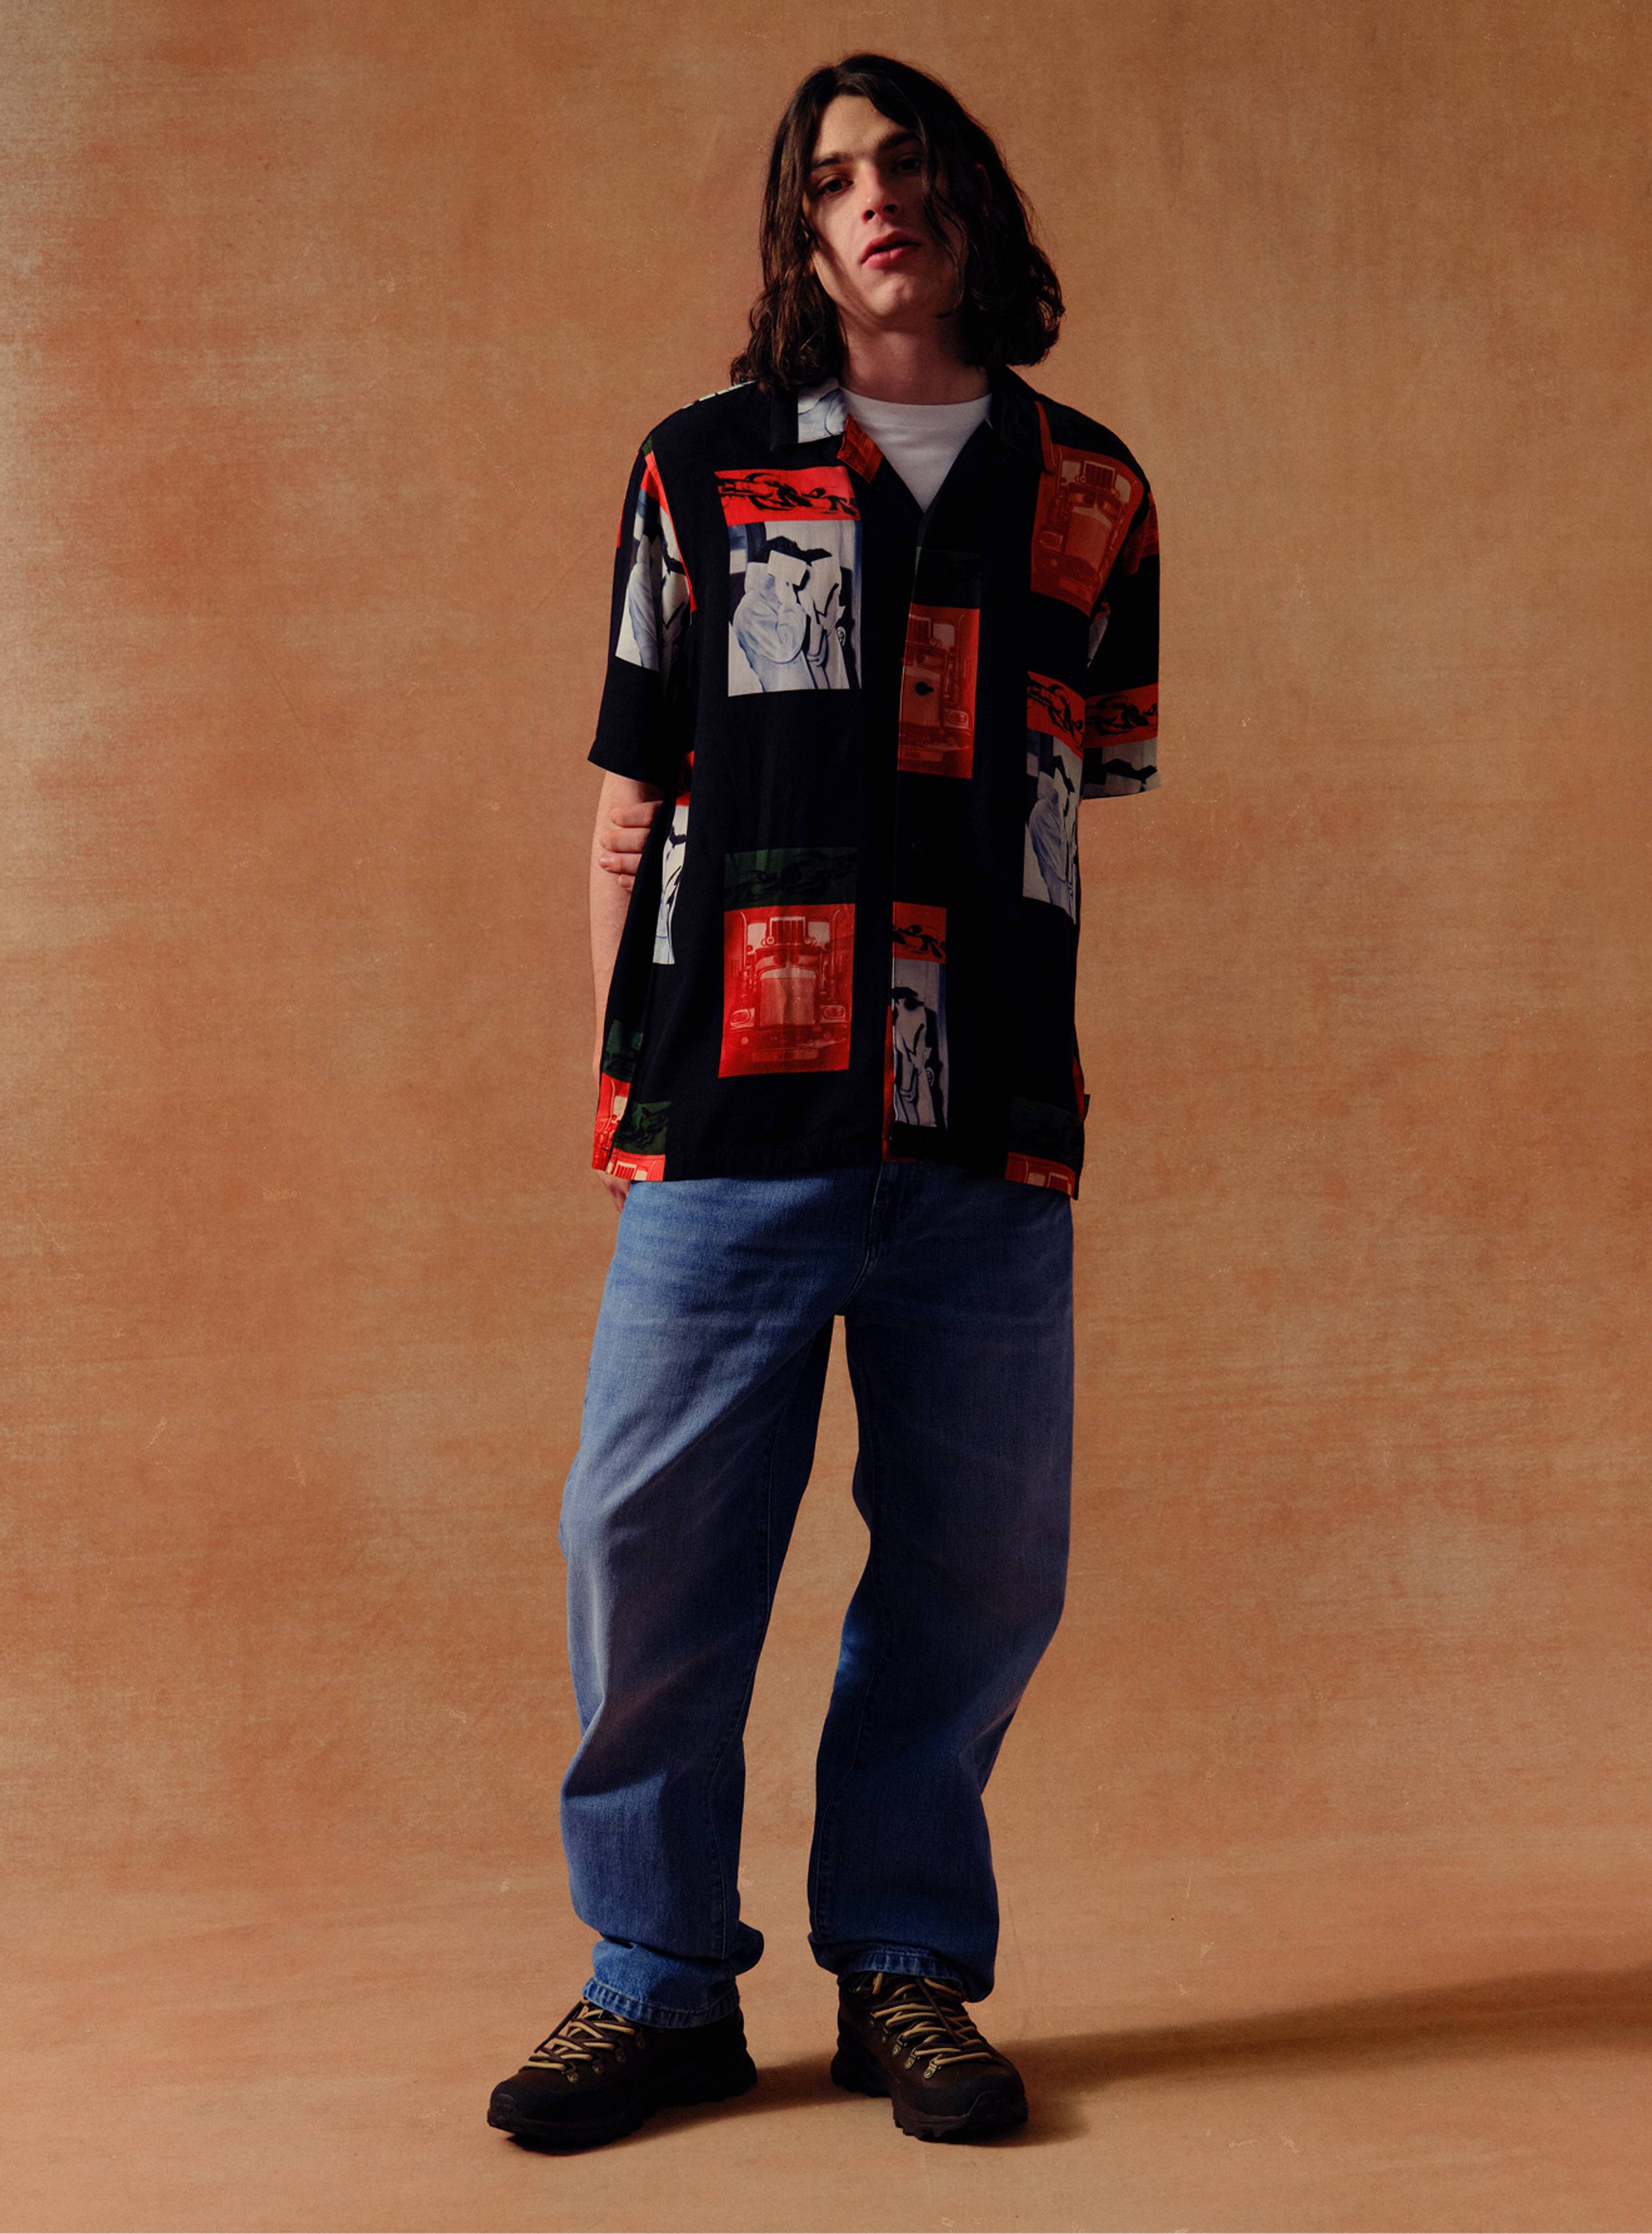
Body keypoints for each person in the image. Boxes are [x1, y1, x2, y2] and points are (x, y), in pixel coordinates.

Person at [488, 49, 1159, 2154]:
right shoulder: (700, 468)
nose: (879, 200)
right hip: (729, 1119)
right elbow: (628, 813)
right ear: (799, 227)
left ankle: (903, 1971)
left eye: (911, 163)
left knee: (980, 1571)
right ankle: (658, 1981)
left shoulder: (1091, 491)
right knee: (648, 1547)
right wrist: (633, 1091)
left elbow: (1079, 783)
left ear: (971, 197)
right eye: (836, 176)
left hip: (986, 1129)